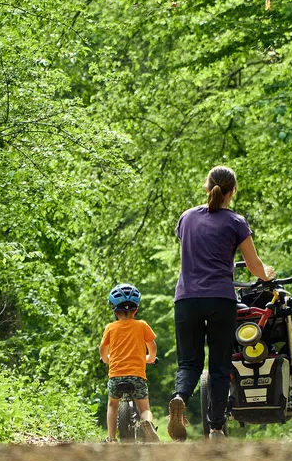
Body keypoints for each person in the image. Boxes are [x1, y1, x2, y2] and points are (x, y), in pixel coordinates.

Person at [167, 165, 275, 441]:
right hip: (220, 299)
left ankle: (179, 398)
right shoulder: (236, 222)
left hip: (187, 299)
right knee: (219, 365)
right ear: (232, 191)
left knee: (189, 363)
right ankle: (215, 427)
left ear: (207, 188)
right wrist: (268, 274)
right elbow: (253, 266)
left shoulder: (187, 218)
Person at [100, 283, 160, 443]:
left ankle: (111, 439)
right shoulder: (142, 325)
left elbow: (103, 349)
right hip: (137, 376)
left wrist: (107, 359)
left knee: (113, 405)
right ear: (136, 309)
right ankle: (147, 422)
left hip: (116, 376)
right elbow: (152, 347)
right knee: (145, 408)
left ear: (114, 310)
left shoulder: (110, 328)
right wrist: (150, 359)